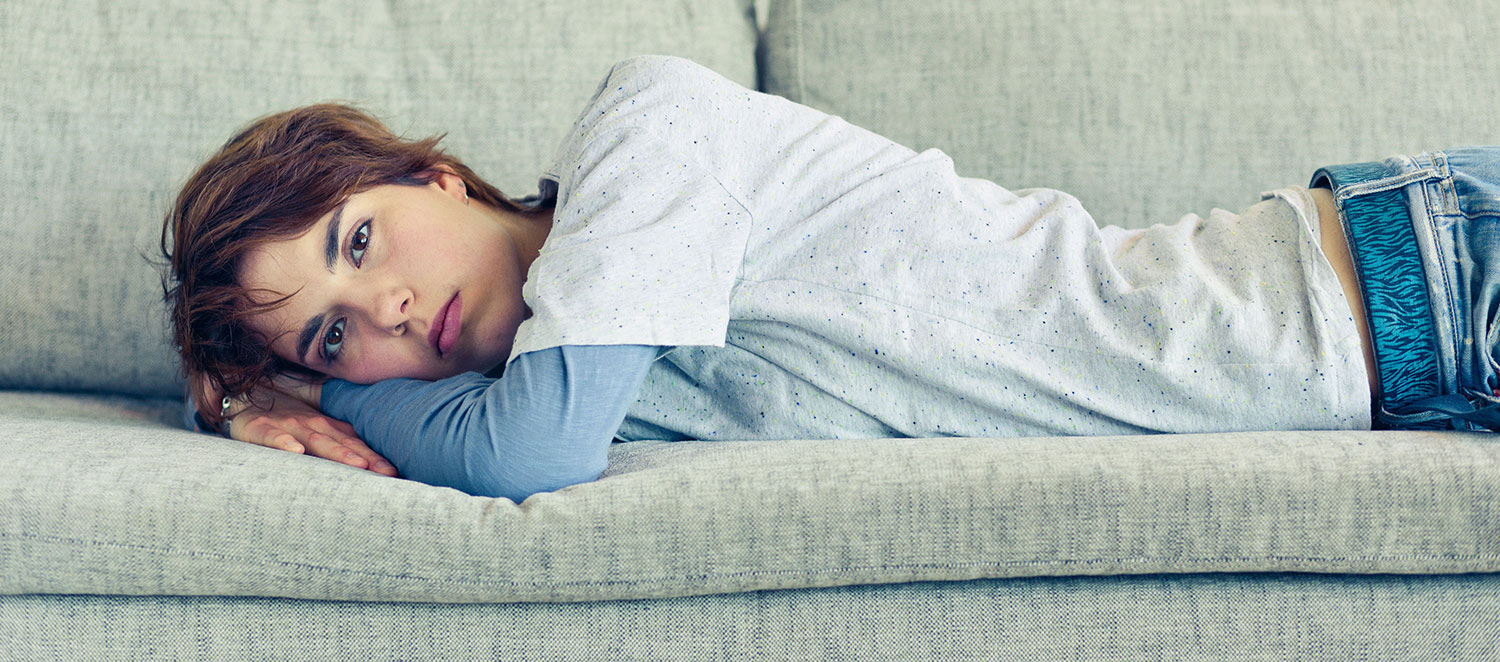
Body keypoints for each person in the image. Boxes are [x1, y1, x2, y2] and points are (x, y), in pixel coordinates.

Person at [160, 55, 1500, 501]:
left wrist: (286, 391)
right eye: (335, 341)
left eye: (358, 241)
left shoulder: (645, 138)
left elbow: (530, 455)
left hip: (1418, 281)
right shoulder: (595, 359)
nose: (387, 310)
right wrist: (244, 397)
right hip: (1392, 386)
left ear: (431, 175)